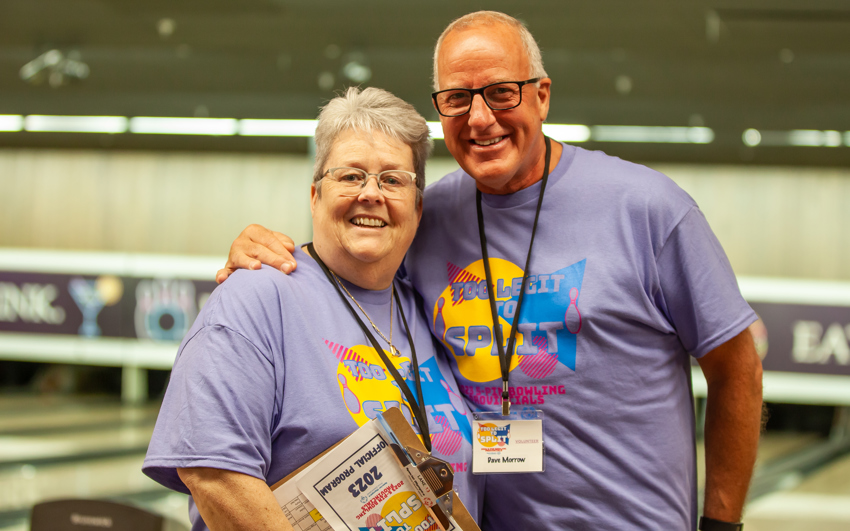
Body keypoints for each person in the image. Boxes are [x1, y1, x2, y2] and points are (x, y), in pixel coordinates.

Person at [218, 11, 763, 531]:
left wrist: (720, 523)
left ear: (542, 96)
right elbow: (344, 258)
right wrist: (259, 251)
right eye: (457, 99)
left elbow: (736, 368)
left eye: (502, 92)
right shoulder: (421, 215)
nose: (481, 118)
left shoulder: (648, 209)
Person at [143, 87, 482, 531]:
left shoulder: (420, 307)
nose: (371, 194)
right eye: (351, 176)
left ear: (418, 209)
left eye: (393, 180)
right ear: (315, 195)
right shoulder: (256, 297)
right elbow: (214, 475)